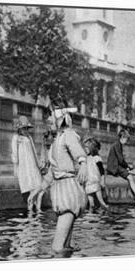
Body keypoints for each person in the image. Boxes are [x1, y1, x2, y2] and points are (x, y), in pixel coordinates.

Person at [48, 103, 88, 254]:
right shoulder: (57, 138)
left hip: (68, 190)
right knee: (65, 244)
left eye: (51, 117)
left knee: (57, 246)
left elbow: (78, 152)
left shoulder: (68, 135)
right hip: (61, 187)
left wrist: (83, 163)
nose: (48, 119)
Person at [11, 116, 44, 211]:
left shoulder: (29, 137)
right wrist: (15, 168)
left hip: (32, 164)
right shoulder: (16, 138)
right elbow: (14, 153)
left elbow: (33, 151)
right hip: (23, 165)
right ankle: (30, 208)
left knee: (38, 185)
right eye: (23, 128)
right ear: (19, 129)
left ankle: (38, 208)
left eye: (26, 128)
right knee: (30, 186)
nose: (25, 130)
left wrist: (38, 164)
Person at [107, 129, 135, 203]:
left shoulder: (117, 144)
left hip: (114, 166)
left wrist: (127, 166)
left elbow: (120, 160)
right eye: (126, 139)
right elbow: (121, 160)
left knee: (129, 171)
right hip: (114, 167)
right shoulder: (117, 145)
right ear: (122, 137)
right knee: (130, 177)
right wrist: (127, 166)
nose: (127, 141)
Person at [82, 136, 108, 211]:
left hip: (95, 182)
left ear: (92, 148)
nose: (85, 149)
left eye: (87, 148)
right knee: (91, 204)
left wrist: (102, 181)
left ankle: (107, 213)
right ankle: (91, 218)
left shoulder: (97, 158)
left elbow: (102, 171)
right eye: (85, 147)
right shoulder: (86, 158)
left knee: (101, 202)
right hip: (88, 183)